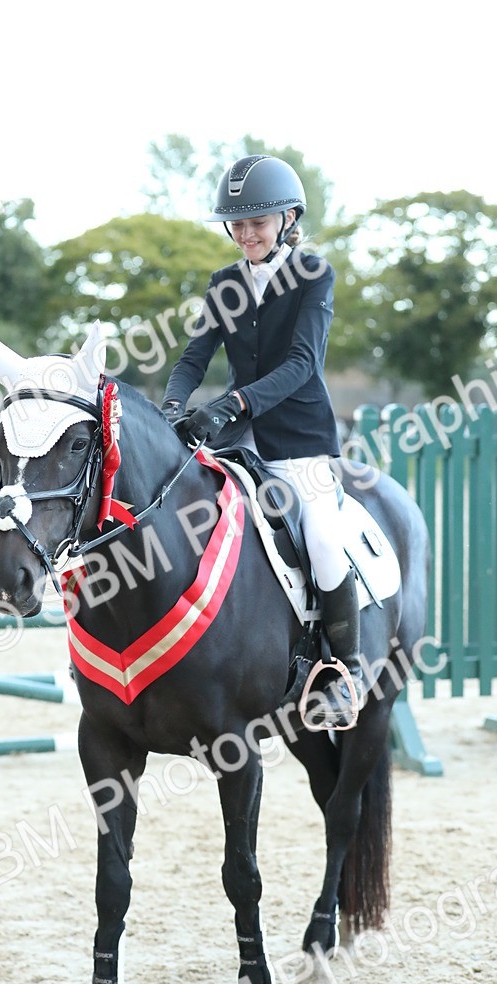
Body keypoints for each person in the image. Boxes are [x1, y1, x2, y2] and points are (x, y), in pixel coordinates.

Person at [161, 154, 363, 726]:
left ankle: (342, 670)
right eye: (238, 224)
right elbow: (195, 356)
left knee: (322, 538)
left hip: (300, 438)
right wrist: (173, 406)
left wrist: (233, 403)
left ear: (288, 218)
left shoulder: (314, 274)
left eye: (258, 222)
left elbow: (302, 363)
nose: (246, 234)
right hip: (238, 440)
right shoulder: (224, 283)